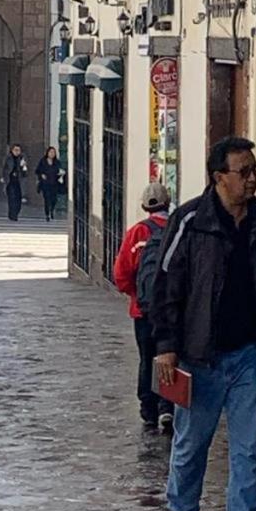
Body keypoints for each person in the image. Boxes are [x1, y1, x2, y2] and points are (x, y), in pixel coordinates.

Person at [153, 137, 256, 511]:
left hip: (249, 356)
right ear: (219, 177)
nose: (252, 179)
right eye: (244, 172)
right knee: (190, 446)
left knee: (249, 453)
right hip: (198, 357)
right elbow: (165, 287)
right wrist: (166, 347)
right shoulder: (189, 222)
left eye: (255, 170)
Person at [114, 182, 175, 432]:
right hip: (172, 310)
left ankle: (148, 410)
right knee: (171, 355)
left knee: (146, 358)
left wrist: (137, 294)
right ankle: (168, 406)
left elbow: (121, 274)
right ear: (168, 202)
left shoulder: (137, 233)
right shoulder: (176, 229)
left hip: (143, 310)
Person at [0, 144, 28, 220]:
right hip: (10, 180)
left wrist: (23, 166)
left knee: (18, 199)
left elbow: (25, 172)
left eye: (18, 150)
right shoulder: (8, 158)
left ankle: (16, 212)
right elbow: (4, 168)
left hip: (18, 181)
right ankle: (12, 214)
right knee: (12, 198)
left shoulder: (22, 159)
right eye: (15, 150)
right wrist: (3, 177)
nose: (17, 152)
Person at [35, 147, 61, 221]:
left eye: (53, 152)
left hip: (54, 183)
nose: (52, 154)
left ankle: (52, 210)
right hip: (45, 184)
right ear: (47, 153)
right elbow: (37, 170)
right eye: (51, 152)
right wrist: (41, 175)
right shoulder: (43, 161)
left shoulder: (57, 162)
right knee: (47, 199)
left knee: (54, 199)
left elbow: (60, 170)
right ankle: (47, 214)